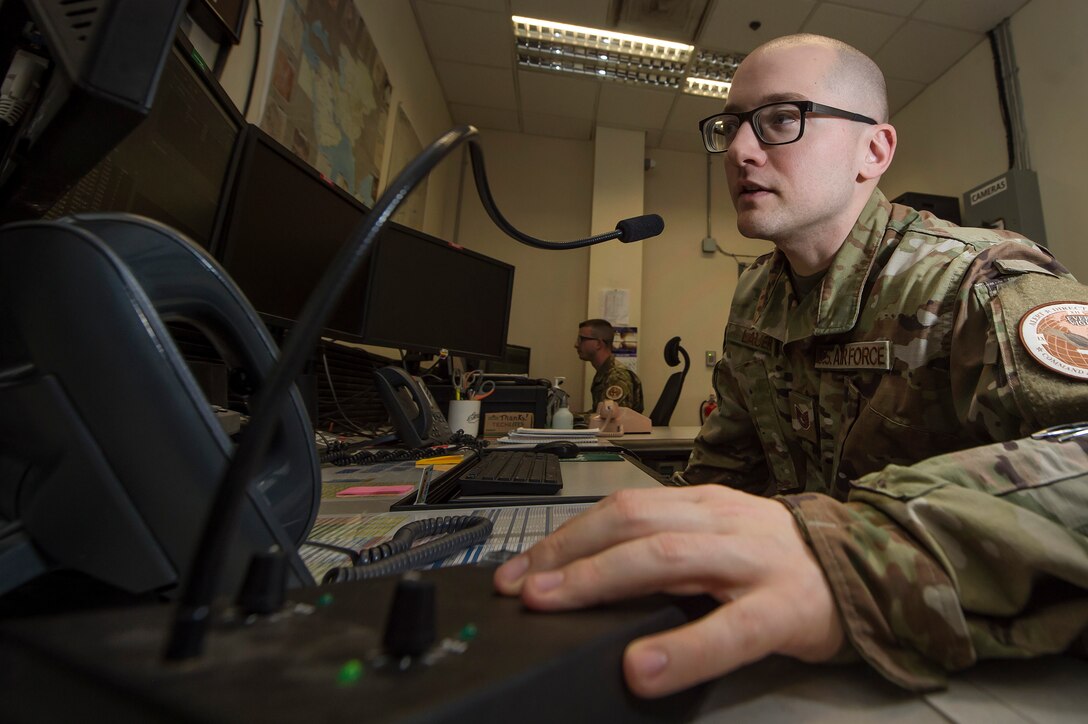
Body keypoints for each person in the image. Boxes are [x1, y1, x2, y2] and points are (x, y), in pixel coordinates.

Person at [496, 33, 1088, 699]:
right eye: (730, 127)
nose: (741, 150)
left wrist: (851, 551)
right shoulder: (759, 294)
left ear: (874, 150)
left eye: (782, 119)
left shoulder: (981, 274)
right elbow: (727, 473)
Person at [575, 318, 644, 413]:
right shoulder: (605, 373)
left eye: (581, 339)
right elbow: (601, 414)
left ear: (598, 344)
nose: (576, 344)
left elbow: (611, 419)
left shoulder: (616, 376)